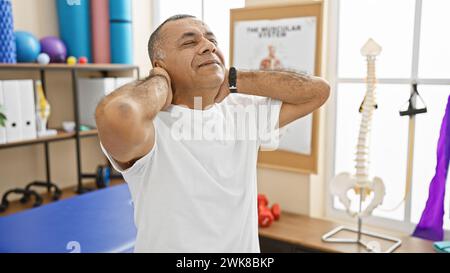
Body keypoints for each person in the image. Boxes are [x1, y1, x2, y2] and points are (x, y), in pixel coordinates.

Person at [95, 14, 330, 253]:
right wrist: (161, 82)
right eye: (189, 42)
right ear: (159, 66)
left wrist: (236, 79)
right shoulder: (151, 125)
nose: (209, 46)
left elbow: (318, 91)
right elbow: (118, 115)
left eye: (211, 40)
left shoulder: (242, 112)